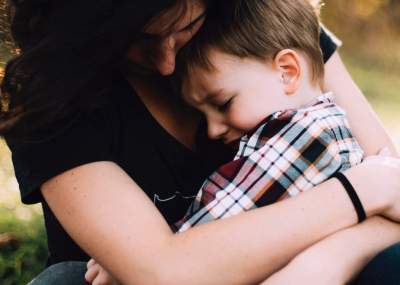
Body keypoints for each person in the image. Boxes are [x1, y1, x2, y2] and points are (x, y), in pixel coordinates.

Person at [0, 0, 399, 284]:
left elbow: (395, 200)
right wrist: (363, 189)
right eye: (135, 39)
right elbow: (160, 272)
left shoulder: (266, 25)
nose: (166, 64)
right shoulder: (49, 94)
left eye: (184, 27)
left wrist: (329, 259)